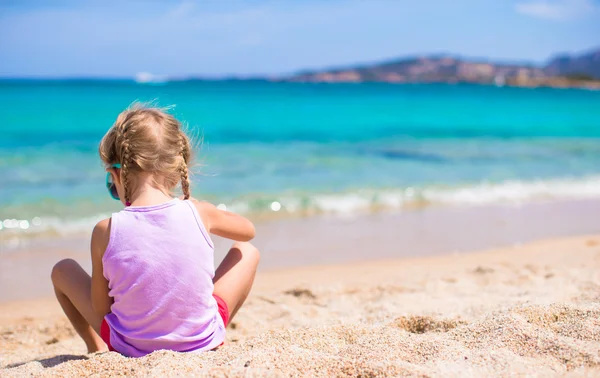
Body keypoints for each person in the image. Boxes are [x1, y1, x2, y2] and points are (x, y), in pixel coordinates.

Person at [50, 104, 259, 357]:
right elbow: (247, 232)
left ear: (115, 174)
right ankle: (206, 332)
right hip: (200, 342)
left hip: (128, 346)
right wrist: (203, 208)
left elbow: (102, 307)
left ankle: (95, 346)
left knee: (63, 269)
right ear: (178, 169)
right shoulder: (199, 211)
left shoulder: (105, 230)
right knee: (246, 252)